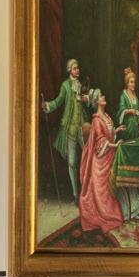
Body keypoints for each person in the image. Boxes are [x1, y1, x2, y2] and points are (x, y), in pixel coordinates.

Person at [42, 57, 89, 200]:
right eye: (74, 68)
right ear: (69, 70)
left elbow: (84, 103)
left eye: (78, 68)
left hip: (82, 128)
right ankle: (75, 194)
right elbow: (58, 101)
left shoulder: (80, 84)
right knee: (72, 162)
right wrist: (48, 106)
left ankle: (88, 193)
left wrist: (87, 99)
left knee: (88, 159)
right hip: (70, 129)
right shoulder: (65, 86)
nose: (77, 70)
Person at [78, 90, 124, 235]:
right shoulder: (97, 120)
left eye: (103, 95)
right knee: (103, 190)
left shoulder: (107, 116)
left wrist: (116, 130)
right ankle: (105, 215)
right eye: (100, 97)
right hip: (100, 161)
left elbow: (108, 134)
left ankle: (112, 212)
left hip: (109, 156)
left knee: (113, 185)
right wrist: (115, 145)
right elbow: (101, 142)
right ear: (96, 102)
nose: (104, 97)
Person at [115, 66, 139, 218]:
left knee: (136, 168)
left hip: (136, 131)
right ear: (127, 83)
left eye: (134, 82)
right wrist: (128, 111)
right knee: (127, 168)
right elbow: (119, 112)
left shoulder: (135, 95)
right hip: (127, 130)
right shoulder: (123, 95)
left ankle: (136, 208)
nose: (133, 84)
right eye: (131, 82)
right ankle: (127, 209)